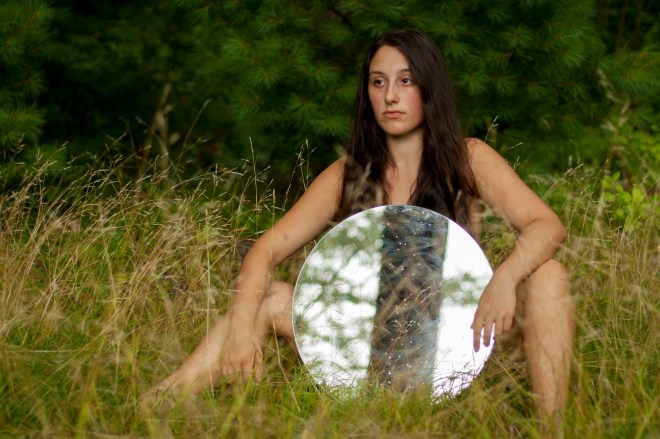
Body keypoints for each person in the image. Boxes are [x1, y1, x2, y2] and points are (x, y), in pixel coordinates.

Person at [150, 29, 575, 432]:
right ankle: (159, 403)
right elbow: (265, 250)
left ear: (430, 87)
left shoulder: (467, 158)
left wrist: (505, 277)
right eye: (378, 82)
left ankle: (552, 430)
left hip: (463, 340)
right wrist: (243, 330)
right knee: (273, 296)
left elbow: (547, 225)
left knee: (549, 275)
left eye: (406, 80)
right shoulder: (349, 173)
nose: (390, 96)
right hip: (365, 344)